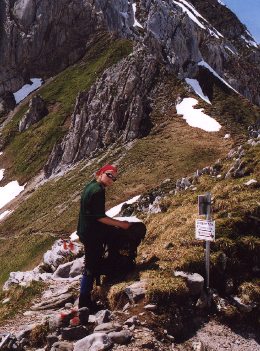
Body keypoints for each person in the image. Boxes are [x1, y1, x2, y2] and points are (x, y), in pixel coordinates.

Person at [77, 164, 131, 310]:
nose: (111, 179)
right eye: (109, 175)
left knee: (93, 262)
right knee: (90, 267)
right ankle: (84, 303)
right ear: (100, 173)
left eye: (114, 177)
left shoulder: (91, 185)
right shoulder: (98, 191)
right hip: (92, 234)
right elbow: (100, 217)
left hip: (85, 230)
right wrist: (121, 224)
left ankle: (93, 290)